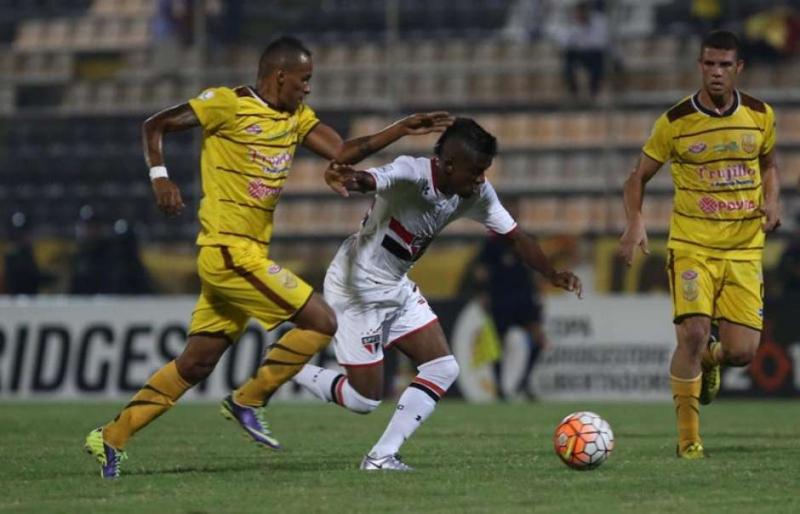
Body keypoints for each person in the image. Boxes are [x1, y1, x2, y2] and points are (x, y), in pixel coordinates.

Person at [83, 35, 453, 479]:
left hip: (248, 253)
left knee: (197, 362)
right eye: (305, 79)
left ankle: (111, 437)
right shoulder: (227, 103)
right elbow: (154, 124)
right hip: (227, 249)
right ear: (280, 76)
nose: (309, 88)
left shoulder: (296, 118)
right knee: (323, 321)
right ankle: (248, 399)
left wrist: (401, 128)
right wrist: (160, 177)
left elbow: (341, 151)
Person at [292, 118, 582, 471]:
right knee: (363, 400)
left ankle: (381, 457)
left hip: (395, 285)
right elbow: (369, 179)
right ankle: (286, 367)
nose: (480, 179)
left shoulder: (475, 192)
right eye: (475, 171)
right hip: (358, 287)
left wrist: (552, 273)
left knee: (443, 368)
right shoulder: (411, 174)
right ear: (447, 165)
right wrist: (349, 179)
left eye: (484, 171)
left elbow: (517, 237)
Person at [618, 30, 781, 460]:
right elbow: (637, 177)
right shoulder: (674, 123)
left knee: (742, 354)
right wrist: (635, 222)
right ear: (700, 66)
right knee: (690, 332)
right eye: (709, 64)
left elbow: (768, 164)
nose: (716, 73)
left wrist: (774, 200)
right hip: (692, 245)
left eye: (725, 65)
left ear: (738, 69)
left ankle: (710, 361)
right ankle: (689, 441)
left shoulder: (761, 115)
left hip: (745, 248)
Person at [472, 217, 548, 401]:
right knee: (499, 344)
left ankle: (524, 381)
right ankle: (500, 389)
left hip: (524, 298)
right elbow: (480, 271)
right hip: (501, 299)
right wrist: (483, 293)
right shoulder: (492, 244)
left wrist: (539, 293)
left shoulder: (526, 240)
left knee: (539, 341)